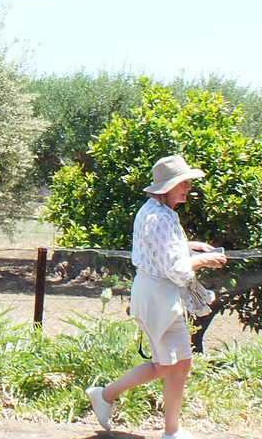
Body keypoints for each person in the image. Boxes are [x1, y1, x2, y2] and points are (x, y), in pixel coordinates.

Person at [86, 155, 227, 439]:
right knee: (173, 364)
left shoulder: (155, 211)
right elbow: (174, 269)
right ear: (169, 186)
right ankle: (167, 430)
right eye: (184, 182)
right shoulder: (159, 216)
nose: (188, 186)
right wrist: (206, 260)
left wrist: (191, 246)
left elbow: (161, 248)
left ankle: (108, 396)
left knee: (171, 364)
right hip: (159, 297)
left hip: (157, 295)